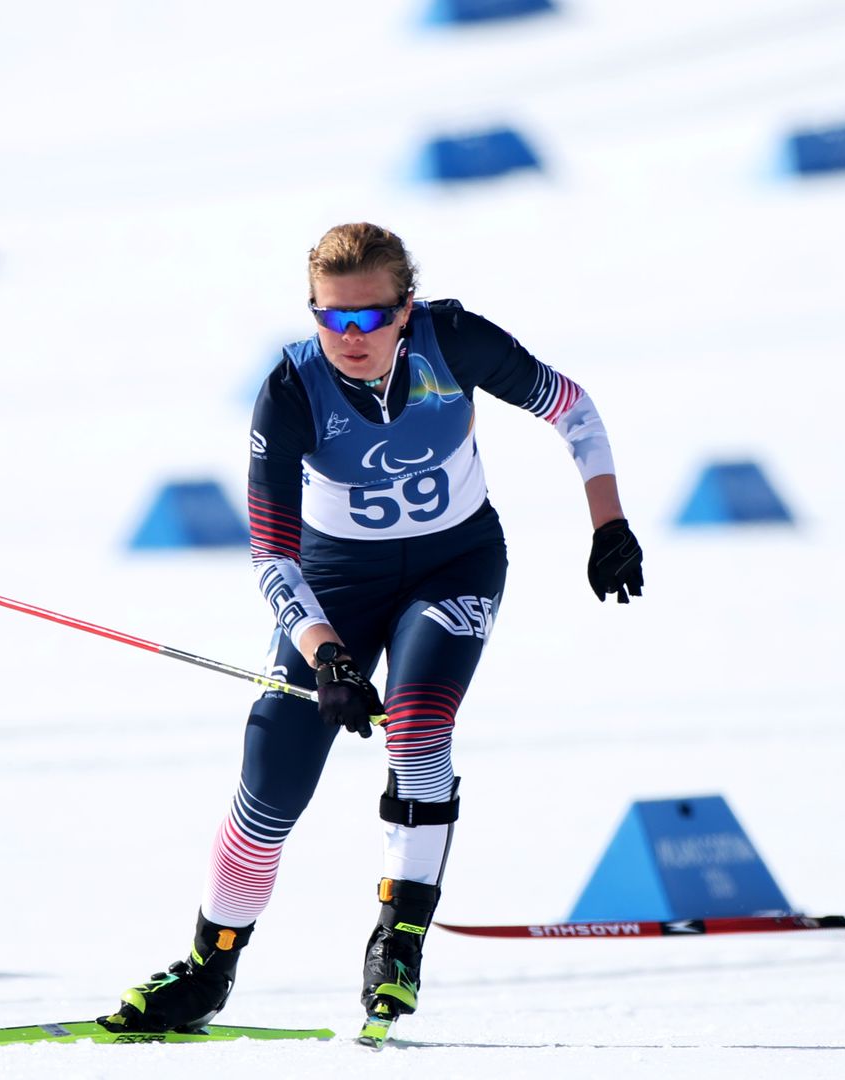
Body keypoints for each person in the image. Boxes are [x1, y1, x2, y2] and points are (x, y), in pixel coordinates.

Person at [100, 222, 645, 1039]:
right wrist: (329, 659)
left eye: (367, 318)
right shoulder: (290, 388)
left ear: (404, 309)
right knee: (270, 789)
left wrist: (608, 524)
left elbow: (574, 409)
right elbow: (271, 553)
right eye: (330, 318)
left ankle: (399, 943)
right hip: (334, 586)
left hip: (452, 567)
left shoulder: (453, 340)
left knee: (420, 727)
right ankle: (208, 969)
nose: (348, 337)